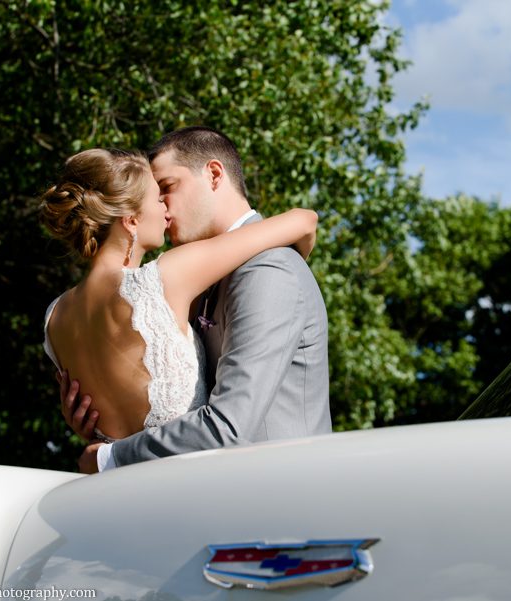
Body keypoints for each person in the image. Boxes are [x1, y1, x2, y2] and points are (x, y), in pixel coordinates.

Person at [60, 127, 332, 473]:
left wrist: (109, 456)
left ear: (214, 174)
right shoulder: (191, 280)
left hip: (274, 505)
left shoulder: (269, 267)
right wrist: (105, 417)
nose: (161, 208)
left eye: (167, 188)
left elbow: (229, 426)